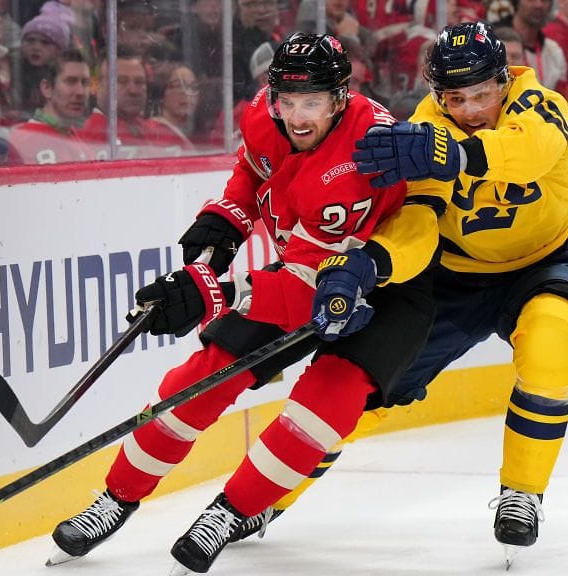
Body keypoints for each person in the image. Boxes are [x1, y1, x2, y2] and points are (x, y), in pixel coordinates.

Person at [47, 32, 434, 575]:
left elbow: (305, 286)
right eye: (288, 102)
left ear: (341, 98)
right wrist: (218, 233)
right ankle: (116, 498)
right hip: (311, 269)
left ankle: (229, 514)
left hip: (386, 285)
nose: (297, 117)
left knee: (323, 408)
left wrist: (210, 291)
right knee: (200, 377)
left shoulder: (361, 155)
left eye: (313, 103)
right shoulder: (263, 114)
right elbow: (254, 174)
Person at [315, 20, 568, 564]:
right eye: (454, 97)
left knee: (551, 347)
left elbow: (532, 151)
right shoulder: (425, 127)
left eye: (482, 94)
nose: (469, 109)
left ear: (503, 83)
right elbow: (419, 223)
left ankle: (521, 492)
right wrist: (374, 260)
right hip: (454, 278)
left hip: (541, 265)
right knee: (363, 388)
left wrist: (455, 153)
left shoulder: (540, 102)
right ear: (437, 94)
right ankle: (277, 487)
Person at [7, 48, 91, 164]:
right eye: (71, 81)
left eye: (85, 83)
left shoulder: (82, 142)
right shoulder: (24, 140)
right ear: (47, 88)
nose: (80, 92)